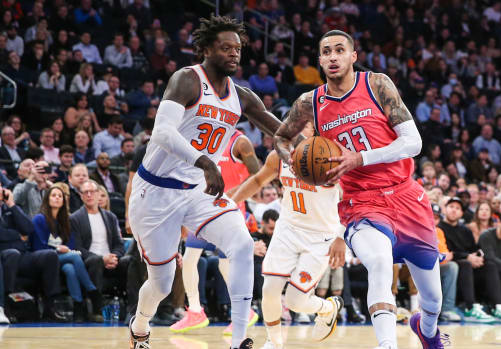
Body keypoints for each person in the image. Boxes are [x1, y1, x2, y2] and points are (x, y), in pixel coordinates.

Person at [273, 30, 444, 348]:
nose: (333, 56)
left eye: (340, 50)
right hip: (361, 202)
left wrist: (360, 158)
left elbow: (414, 143)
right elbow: (281, 138)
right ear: (320, 60)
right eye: (326, 52)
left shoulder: (377, 84)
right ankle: (387, 344)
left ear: (353, 56)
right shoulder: (310, 103)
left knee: (433, 300)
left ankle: (426, 328)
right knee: (379, 261)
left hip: (407, 196)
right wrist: (297, 166)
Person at [127, 15, 282, 349]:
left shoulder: (242, 97)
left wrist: (314, 146)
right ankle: (140, 324)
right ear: (206, 49)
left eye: (237, 48)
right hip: (155, 191)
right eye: (225, 47)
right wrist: (204, 161)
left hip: (199, 190)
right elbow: (163, 132)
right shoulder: (187, 80)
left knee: (241, 244)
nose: (233, 53)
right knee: (162, 284)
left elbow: (283, 134)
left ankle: (238, 339)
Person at [231, 122, 344, 348]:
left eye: (309, 124)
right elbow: (257, 181)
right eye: (298, 123)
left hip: (320, 237)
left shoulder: (333, 156)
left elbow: (351, 201)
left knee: (295, 300)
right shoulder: (280, 156)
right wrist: (229, 201)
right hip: (288, 230)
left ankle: (328, 308)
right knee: (269, 289)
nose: (302, 128)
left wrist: (341, 237)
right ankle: (274, 343)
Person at [170, 128, 261, 333]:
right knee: (190, 258)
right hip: (202, 210)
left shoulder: (241, 142)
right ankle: (195, 311)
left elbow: (259, 176)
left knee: (225, 265)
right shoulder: (205, 137)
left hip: (230, 211)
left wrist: (233, 194)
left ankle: (245, 312)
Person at [30, 183, 104, 322]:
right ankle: (93, 291)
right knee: (75, 257)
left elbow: (70, 245)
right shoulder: (39, 219)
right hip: (42, 258)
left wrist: (65, 250)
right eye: (53, 195)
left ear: (64, 201)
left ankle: (78, 307)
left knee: (70, 269)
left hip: (63, 259)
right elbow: (38, 246)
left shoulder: (66, 221)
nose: (57, 198)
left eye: (60, 196)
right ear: (47, 199)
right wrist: (58, 249)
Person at [0, 184, 68, 322]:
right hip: (4, 256)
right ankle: (7, 307)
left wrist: (12, 205)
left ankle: (50, 307)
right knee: (12, 254)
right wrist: (16, 234)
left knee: (49, 255)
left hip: (23, 255)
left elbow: (28, 228)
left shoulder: (9, 208)